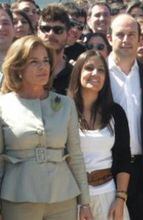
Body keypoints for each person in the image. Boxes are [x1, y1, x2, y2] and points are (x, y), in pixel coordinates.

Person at [0, 35, 92, 220]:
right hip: (18, 197)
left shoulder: (66, 104)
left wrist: (85, 202)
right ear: (18, 67)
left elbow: (75, 155)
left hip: (63, 197)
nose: (43, 67)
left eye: (45, 61)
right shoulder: (3, 105)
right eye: (34, 61)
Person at [107, 14, 143, 220]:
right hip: (107, 167)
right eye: (120, 34)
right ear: (110, 38)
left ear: (139, 39)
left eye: (132, 34)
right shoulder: (97, 74)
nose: (126, 39)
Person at [68, 50, 132, 220]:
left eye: (101, 70)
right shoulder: (64, 110)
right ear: (78, 72)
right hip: (72, 198)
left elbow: (124, 157)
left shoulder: (115, 112)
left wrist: (120, 199)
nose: (95, 73)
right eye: (89, 68)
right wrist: (82, 203)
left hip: (108, 195)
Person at [37, 4, 73, 95]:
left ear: (68, 34)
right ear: (37, 31)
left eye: (58, 30)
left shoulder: (75, 74)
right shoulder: (25, 69)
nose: (51, 34)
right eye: (45, 29)